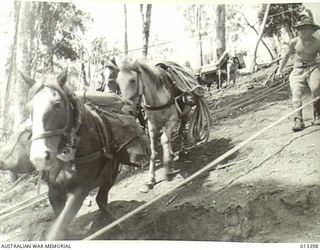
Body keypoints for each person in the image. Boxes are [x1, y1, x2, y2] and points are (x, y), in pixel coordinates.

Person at [276, 16, 320, 132]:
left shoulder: (318, 43)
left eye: (305, 28)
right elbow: (285, 56)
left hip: (313, 67)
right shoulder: (294, 42)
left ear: (312, 30)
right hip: (298, 69)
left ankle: (317, 114)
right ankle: (298, 120)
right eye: (300, 29)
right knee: (296, 92)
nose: (302, 31)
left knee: (316, 88)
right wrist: (279, 70)